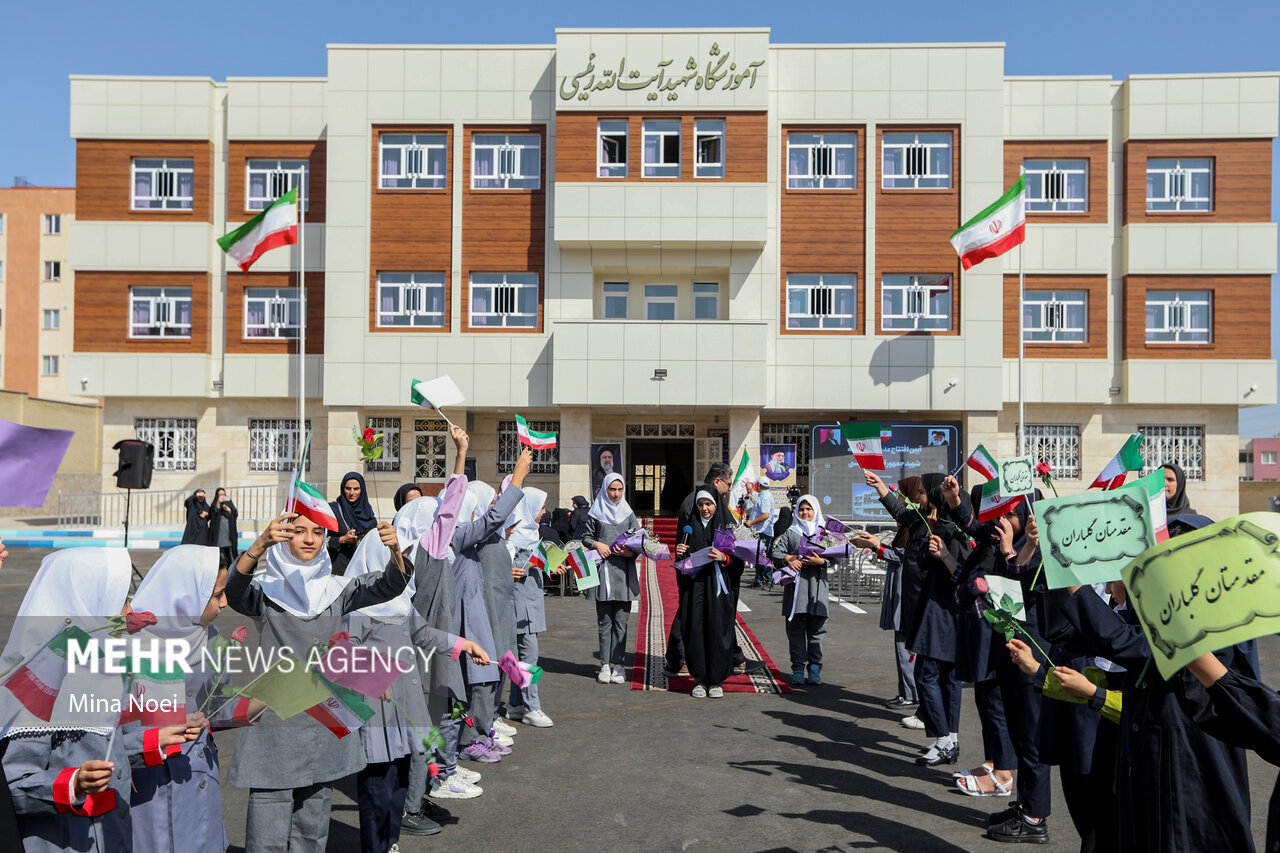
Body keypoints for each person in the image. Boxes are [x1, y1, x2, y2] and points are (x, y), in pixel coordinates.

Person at [225, 509, 408, 853]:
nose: (309, 539)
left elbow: (390, 584)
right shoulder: (267, 591)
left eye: (317, 531)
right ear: (283, 536)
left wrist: (396, 550)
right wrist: (259, 545)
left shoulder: (338, 590)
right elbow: (235, 592)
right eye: (298, 531)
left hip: (324, 718)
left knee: (313, 823)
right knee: (268, 825)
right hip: (276, 721)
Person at [342, 485, 489, 850]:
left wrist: (462, 645)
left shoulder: (400, 600)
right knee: (376, 782)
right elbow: (345, 651)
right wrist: (373, 682)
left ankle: (391, 841)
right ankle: (376, 845)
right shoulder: (357, 603)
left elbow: (421, 632)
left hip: (406, 700)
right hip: (376, 704)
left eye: (406, 556)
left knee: (401, 777)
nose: (405, 565)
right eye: (400, 557)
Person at [1, 549, 135, 852]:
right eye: (121, 598)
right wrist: (72, 784)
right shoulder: (34, 677)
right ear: (85, 602)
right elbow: (12, 785)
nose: (129, 611)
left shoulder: (103, 667)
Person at [127, 545, 254, 853]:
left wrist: (267, 697)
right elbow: (109, 739)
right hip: (149, 793)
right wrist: (159, 737)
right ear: (185, 594)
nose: (224, 603)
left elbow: (214, 707)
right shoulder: (126, 643)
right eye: (217, 594)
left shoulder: (208, 637)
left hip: (198, 786)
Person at [450, 452, 529, 768]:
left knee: (484, 683)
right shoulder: (470, 537)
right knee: (472, 685)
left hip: (487, 621)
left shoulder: (483, 539)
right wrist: (519, 474)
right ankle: (469, 740)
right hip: (473, 624)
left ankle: (479, 734)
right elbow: (494, 516)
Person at [666, 462, 734, 676]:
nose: (730, 489)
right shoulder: (691, 505)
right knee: (687, 614)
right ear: (717, 481)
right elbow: (687, 540)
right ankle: (677, 658)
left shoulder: (720, 512)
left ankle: (727, 657)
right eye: (728, 484)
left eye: (709, 504)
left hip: (713, 576)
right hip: (694, 572)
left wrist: (726, 557)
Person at [504, 488, 559, 727]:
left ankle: (516, 704)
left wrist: (551, 564)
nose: (544, 512)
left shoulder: (531, 533)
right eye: (540, 507)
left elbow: (534, 561)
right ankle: (531, 707)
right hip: (519, 605)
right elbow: (506, 568)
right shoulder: (513, 537)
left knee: (519, 658)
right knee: (529, 658)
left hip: (530, 602)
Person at [581, 474, 640, 685]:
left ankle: (619, 665)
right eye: (612, 490)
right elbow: (585, 537)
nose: (615, 494)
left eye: (619, 490)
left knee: (621, 622)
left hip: (624, 574)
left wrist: (628, 553)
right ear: (605, 489)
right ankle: (604, 665)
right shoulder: (595, 513)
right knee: (604, 621)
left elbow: (639, 542)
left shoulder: (628, 514)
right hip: (602, 572)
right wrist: (598, 544)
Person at [769, 495, 831, 685]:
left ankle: (814, 668)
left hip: (817, 590)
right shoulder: (791, 532)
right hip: (795, 591)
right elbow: (774, 552)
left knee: (817, 631)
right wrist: (789, 558)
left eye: (808, 509)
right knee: (795, 631)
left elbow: (836, 555)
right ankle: (797, 668)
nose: (805, 513)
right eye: (801, 509)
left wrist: (821, 561)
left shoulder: (824, 533)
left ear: (815, 510)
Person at [329, 472, 378, 575]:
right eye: (348, 488)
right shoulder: (332, 510)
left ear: (362, 490)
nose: (352, 493)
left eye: (356, 489)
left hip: (362, 572)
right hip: (338, 570)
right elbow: (320, 539)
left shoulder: (367, 512)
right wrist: (341, 540)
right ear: (343, 489)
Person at [745, 476, 777, 589]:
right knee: (759, 556)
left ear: (758, 485)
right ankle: (759, 580)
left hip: (763, 531)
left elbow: (765, 515)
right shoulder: (763, 496)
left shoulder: (765, 497)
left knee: (763, 556)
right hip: (760, 530)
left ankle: (767, 580)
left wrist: (751, 522)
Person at [210, 488, 239, 567]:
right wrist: (219, 503)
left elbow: (235, 513)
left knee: (230, 553)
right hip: (219, 534)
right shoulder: (215, 504)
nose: (222, 496)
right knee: (220, 554)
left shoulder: (229, 502)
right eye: (220, 495)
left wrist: (230, 511)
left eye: (223, 494)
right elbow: (213, 515)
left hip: (229, 534)